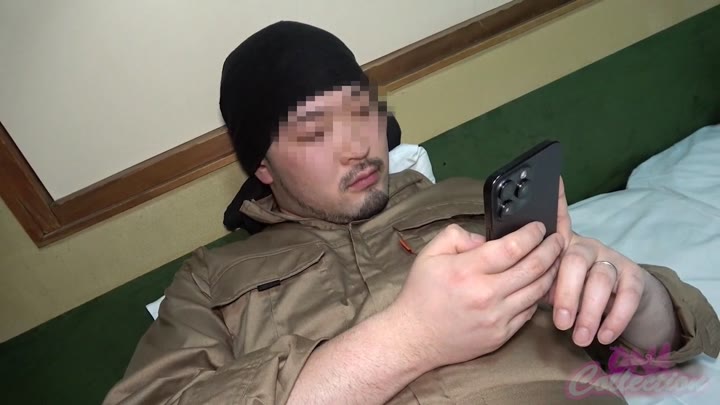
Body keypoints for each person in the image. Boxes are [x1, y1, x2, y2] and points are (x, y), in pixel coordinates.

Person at [103, 21, 720, 405]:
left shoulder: (471, 199)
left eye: (361, 112)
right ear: (263, 168)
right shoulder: (207, 282)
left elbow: (663, 345)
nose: (358, 146)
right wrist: (409, 340)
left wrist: (635, 297)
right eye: (314, 132)